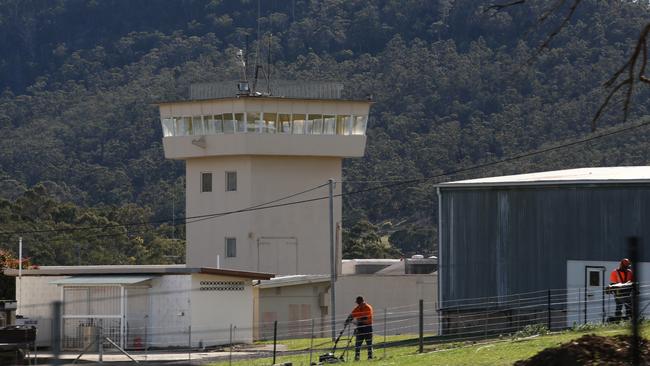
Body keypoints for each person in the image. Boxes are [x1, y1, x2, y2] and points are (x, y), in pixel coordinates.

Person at [345, 295, 373, 361]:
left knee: (369, 344)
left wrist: (356, 321)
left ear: (362, 302)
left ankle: (370, 357)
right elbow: (352, 314)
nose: (358, 305)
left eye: (359, 303)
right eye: (358, 303)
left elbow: (365, 318)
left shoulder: (368, 308)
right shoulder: (358, 308)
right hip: (360, 328)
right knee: (358, 344)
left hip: (367, 327)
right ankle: (357, 358)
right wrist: (347, 320)